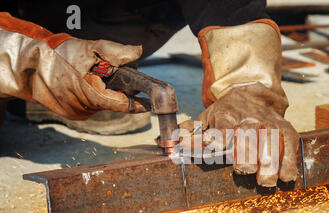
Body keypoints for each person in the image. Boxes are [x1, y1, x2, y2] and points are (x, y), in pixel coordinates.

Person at [0, 0, 299, 187]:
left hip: (111, 26)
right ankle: (30, 89)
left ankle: (90, 83)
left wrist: (248, 87)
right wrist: (34, 60)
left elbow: (232, 10)